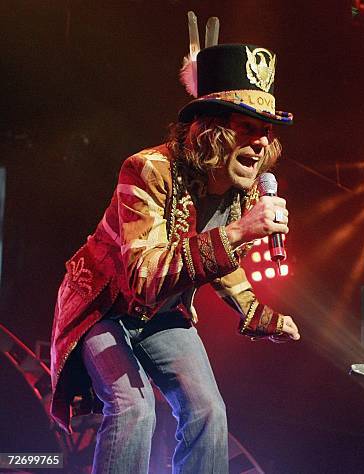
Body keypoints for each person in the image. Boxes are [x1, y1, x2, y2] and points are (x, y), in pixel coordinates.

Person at [50, 43, 300, 473]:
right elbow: (142, 276)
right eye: (247, 128)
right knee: (134, 407)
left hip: (164, 312)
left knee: (208, 411)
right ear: (211, 131)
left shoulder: (244, 191)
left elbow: (225, 263)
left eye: (267, 132)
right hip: (104, 306)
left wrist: (256, 311)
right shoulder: (147, 170)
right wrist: (239, 232)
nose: (260, 145)